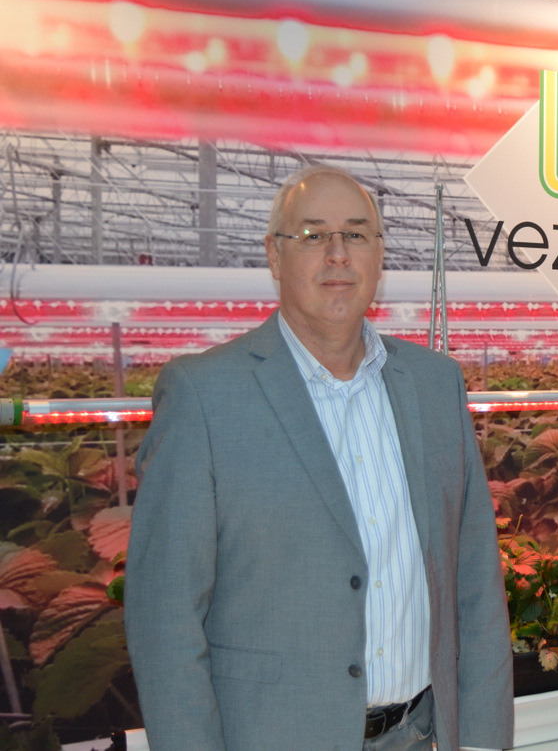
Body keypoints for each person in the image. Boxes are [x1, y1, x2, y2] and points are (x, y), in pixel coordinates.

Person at [125, 165, 514, 751]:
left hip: (419, 735)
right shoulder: (204, 395)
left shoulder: (435, 385)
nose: (338, 254)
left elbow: (475, 583)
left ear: (379, 255)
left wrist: (483, 742)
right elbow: (166, 620)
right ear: (274, 256)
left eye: (356, 234)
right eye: (313, 235)